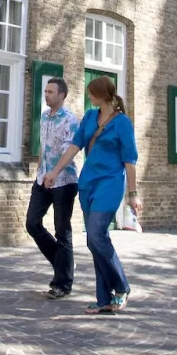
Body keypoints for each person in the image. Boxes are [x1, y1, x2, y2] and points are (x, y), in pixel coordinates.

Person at [44, 75, 140, 314]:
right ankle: (103, 298)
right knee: (93, 241)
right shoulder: (89, 117)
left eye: (91, 93)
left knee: (97, 235)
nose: (89, 97)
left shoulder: (122, 124)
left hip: (110, 184)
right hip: (88, 184)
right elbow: (74, 147)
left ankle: (121, 286)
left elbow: (130, 161)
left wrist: (133, 193)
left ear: (101, 95)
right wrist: (55, 171)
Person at [27, 76, 80, 299]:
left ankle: (63, 283)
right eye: (45, 91)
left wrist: (55, 172)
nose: (46, 95)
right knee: (32, 224)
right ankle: (63, 263)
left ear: (62, 95)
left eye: (50, 92)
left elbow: (70, 151)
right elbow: (44, 147)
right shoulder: (44, 117)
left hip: (64, 181)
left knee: (62, 231)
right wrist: (40, 171)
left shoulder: (70, 120)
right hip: (42, 179)